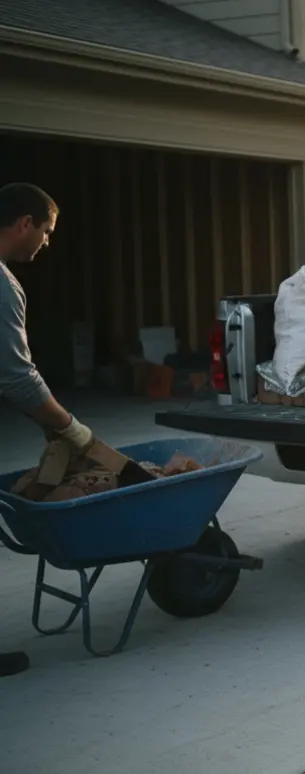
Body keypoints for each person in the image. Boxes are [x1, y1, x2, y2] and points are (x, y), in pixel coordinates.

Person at [0, 182, 98, 677]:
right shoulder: (1, 284)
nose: (46, 242)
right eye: (46, 231)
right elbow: (16, 377)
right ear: (24, 224)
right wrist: (72, 431)